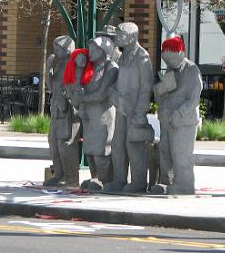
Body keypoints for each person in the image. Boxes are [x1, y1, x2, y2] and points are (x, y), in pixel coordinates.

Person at [104, 22, 154, 193]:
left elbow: (146, 87)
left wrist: (141, 112)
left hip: (134, 109)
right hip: (121, 106)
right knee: (118, 145)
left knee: (133, 145)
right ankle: (119, 180)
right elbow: (120, 78)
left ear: (132, 37)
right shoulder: (123, 56)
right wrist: (114, 91)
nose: (117, 38)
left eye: (121, 35)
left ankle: (139, 182)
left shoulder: (142, 57)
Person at [150, 36, 203, 195]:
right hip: (166, 119)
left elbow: (194, 98)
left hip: (183, 121)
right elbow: (161, 96)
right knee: (165, 151)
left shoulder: (192, 70)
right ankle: (166, 181)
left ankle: (184, 183)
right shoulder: (170, 71)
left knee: (181, 153)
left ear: (181, 52)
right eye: (166, 60)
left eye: (172, 58)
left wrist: (179, 114)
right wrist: (161, 89)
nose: (169, 63)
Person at [67, 37, 118, 191]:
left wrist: (82, 97)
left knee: (101, 150)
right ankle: (95, 177)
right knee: (89, 150)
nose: (90, 53)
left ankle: (106, 179)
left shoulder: (111, 68)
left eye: (95, 49)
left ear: (104, 51)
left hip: (103, 114)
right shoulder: (90, 68)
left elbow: (101, 94)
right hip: (89, 115)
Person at [45, 35, 81, 187]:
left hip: (68, 112)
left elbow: (75, 88)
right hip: (56, 109)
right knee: (53, 143)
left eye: (58, 48)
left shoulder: (74, 66)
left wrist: (66, 97)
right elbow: (51, 87)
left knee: (66, 145)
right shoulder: (59, 66)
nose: (56, 52)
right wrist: (48, 70)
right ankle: (59, 174)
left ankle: (71, 178)